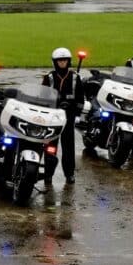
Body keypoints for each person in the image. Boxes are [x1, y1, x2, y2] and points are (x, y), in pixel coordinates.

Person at [42, 48, 83, 185]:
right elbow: (43, 97)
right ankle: (48, 174)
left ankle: (69, 174)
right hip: (53, 118)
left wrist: (77, 114)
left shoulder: (76, 78)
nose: (62, 63)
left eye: (65, 60)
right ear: (55, 62)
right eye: (60, 60)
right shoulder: (49, 77)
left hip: (69, 117)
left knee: (68, 147)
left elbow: (80, 99)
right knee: (51, 147)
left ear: (69, 61)